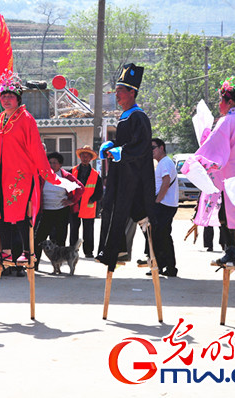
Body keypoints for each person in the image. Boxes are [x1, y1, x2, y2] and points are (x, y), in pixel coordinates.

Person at [0, 70, 78, 267]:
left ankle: (28, 252)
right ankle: (6, 252)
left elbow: (36, 149)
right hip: (2, 174)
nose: (7, 100)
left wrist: (49, 175)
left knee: (21, 214)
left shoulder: (26, 120)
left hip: (21, 174)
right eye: (4, 96)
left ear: (18, 99)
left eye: (11, 96)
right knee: (0, 211)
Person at [183, 77, 235, 266]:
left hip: (233, 177)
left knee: (227, 216)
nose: (219, 104)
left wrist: (199, 160)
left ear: (229, 102)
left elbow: (216, 149)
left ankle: (233, 253)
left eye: (221, 100)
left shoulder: (226, 121)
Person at [95, 63, 155, 271]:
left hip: (133, 175)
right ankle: (114, 249)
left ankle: (112, 251)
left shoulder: (139, 116)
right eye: (116, 91)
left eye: (120, 90)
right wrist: (112, 146)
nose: (117, 95)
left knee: (120, 209)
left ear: (132, 92)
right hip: (121, 174)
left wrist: (122, 152)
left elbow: (141, 146)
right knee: (112, 208)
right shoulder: (125, 116)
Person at [34, 152, 83, 268]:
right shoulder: (42, 175)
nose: (52, 165)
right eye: (50, 163)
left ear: (60, 164)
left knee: (60, 238)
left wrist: (72, 201)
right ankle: (34, 264)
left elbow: (80, 187)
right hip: (45, 211)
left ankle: (58, 265)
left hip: (61, 211)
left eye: (55, 163)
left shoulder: (65, 176)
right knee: (38, 238)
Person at [147, 138, 179, 276]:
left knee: (162, 236)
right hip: (165, 204)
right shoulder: (162, 163)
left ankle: (169, 267)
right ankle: (161, 265)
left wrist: (157, 201)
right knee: (159, 236)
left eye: (153, 147)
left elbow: (166, 182)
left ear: (161, 148)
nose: (151, 151)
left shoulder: (165, 162)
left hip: (165, 205)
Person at [70, 145, 103, 258]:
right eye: (83, 156)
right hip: (75, 204)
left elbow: (99, 191)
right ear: (80, 157)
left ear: (90, 158)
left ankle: (88, 252)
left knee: (88, 230)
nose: (85, 158)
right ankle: (72, 250)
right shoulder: (72, 171)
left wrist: (92, 199)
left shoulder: (96, 174)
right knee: (74, 229)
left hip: (88, 205)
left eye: (87, 156)